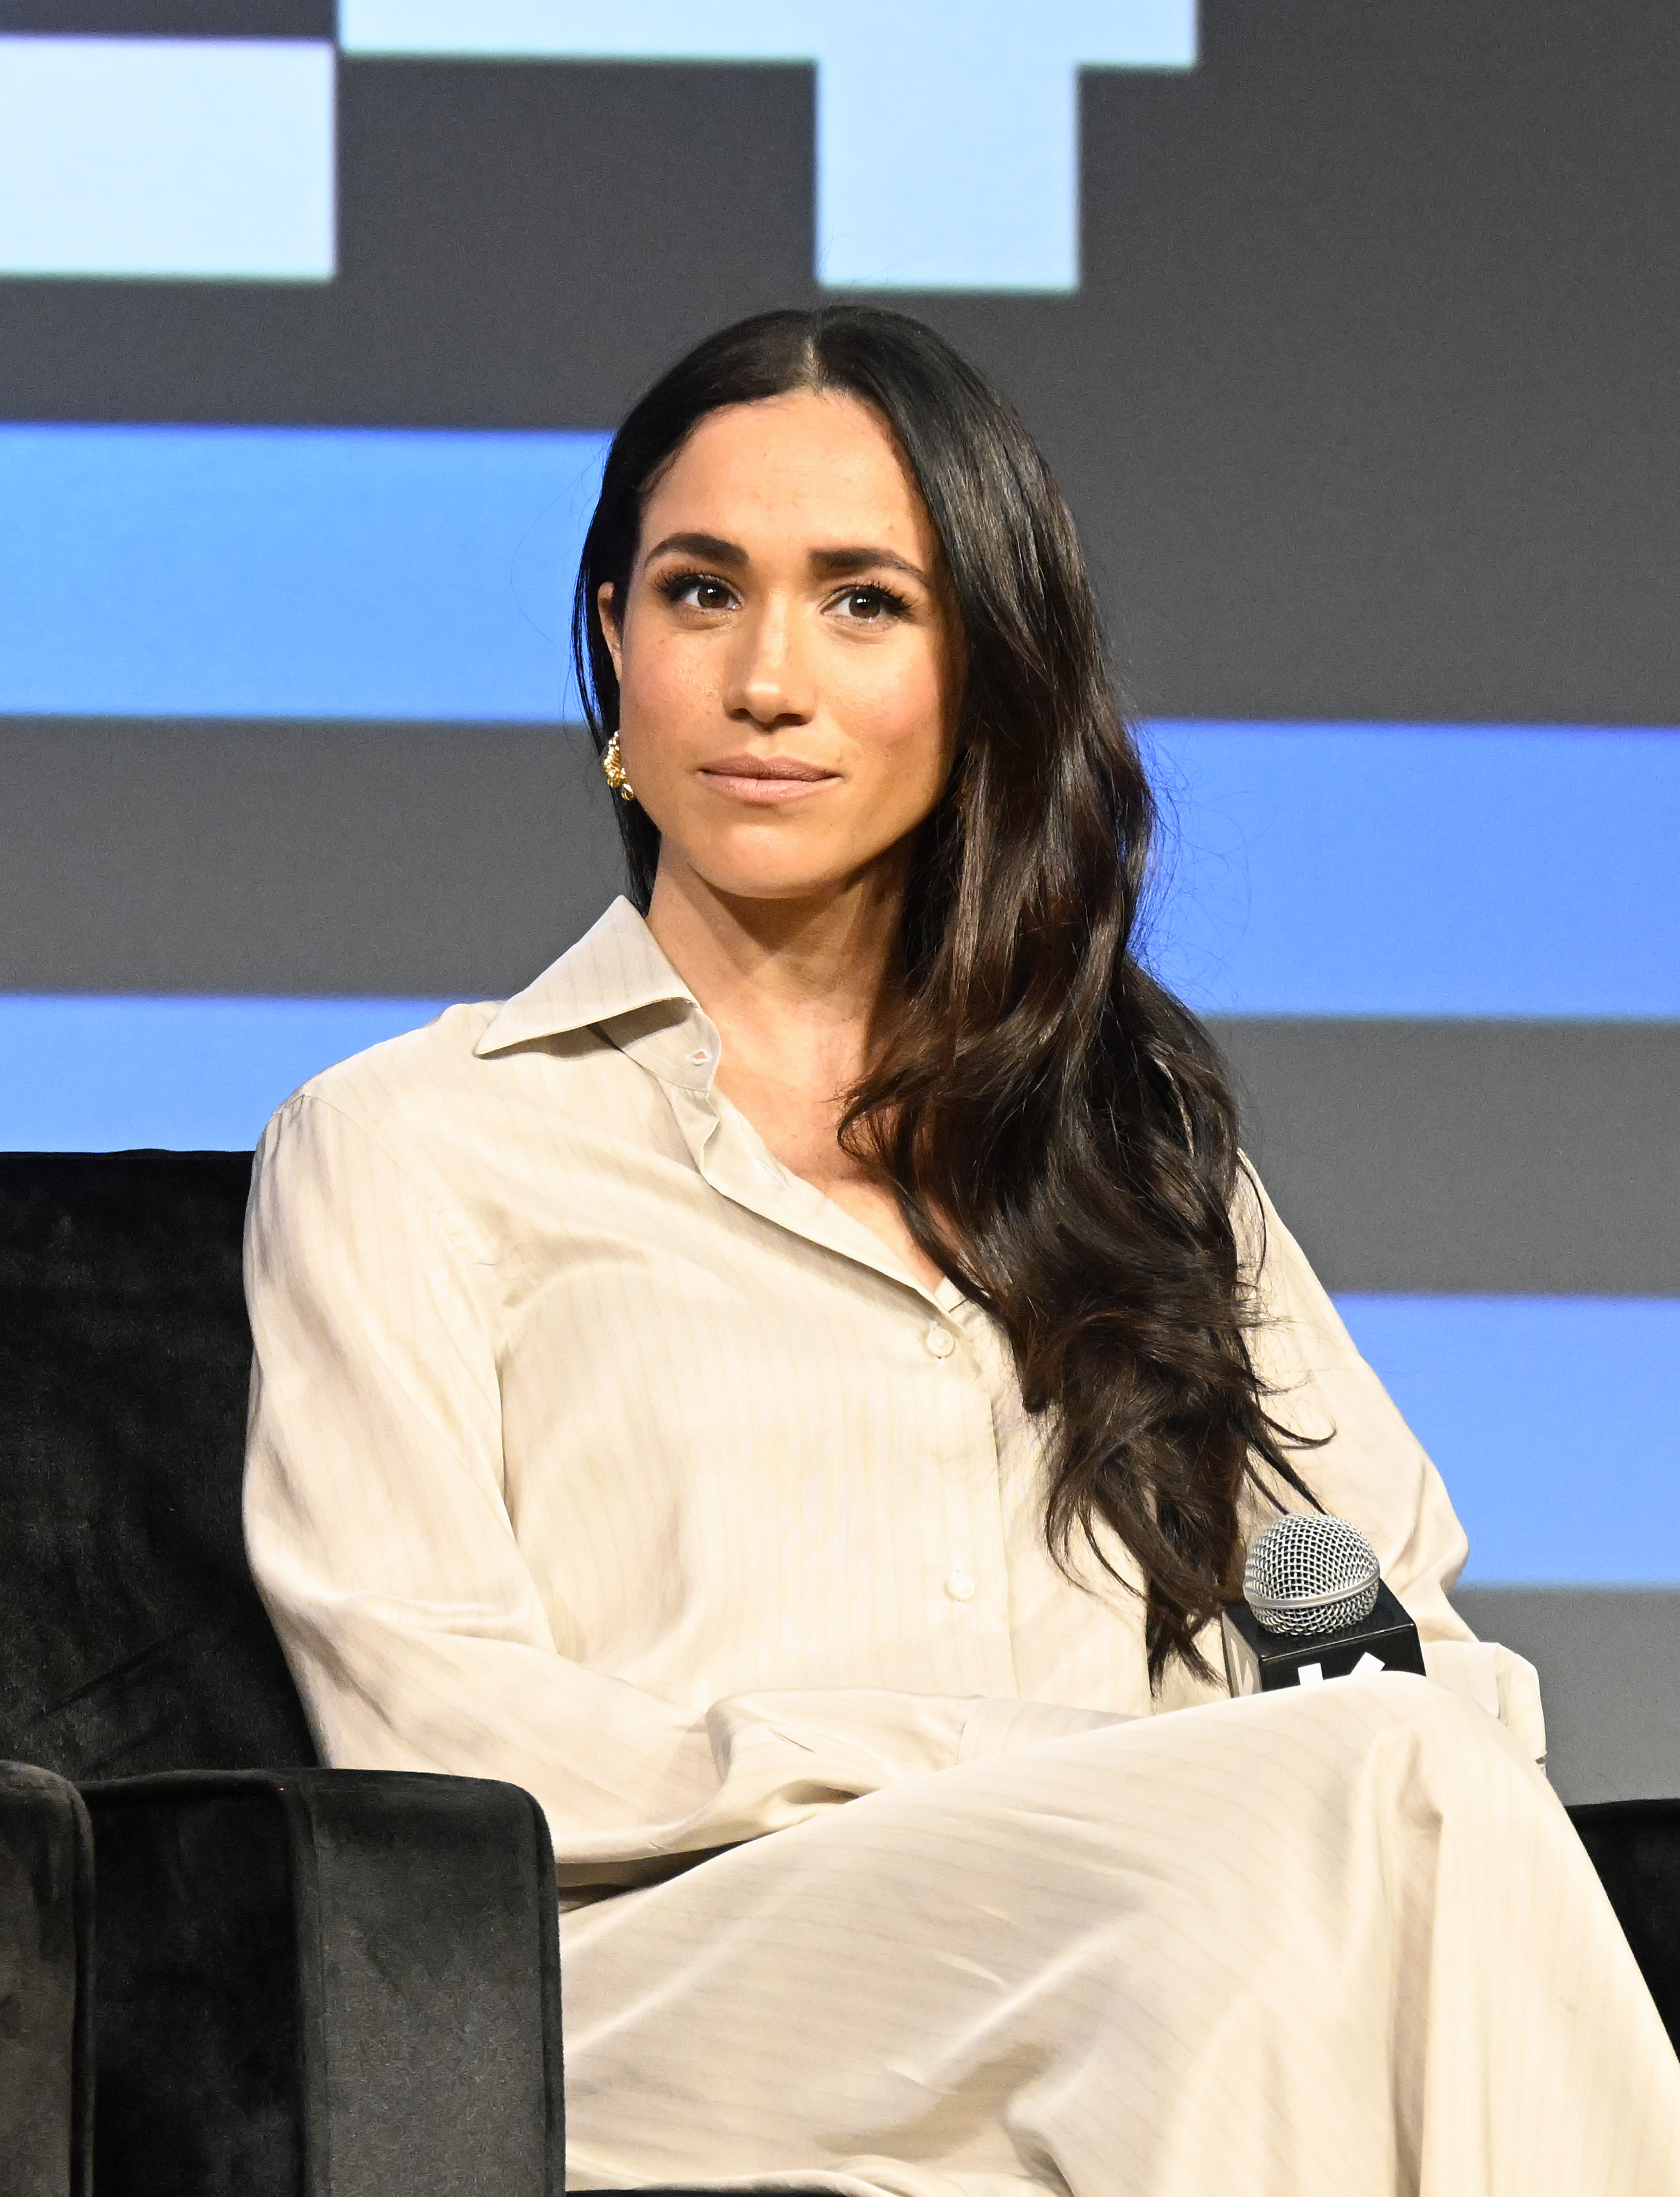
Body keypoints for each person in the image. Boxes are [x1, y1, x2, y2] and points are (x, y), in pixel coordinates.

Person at [243, 306, 1680, 2197]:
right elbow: (428, 1732)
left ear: (980, 670)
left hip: (1161, 1948)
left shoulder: (1133, 1151)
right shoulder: (414, 1144)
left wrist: (1227, 1787)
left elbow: (1398, 1631)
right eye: (699, 594)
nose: (769, 678)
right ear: (614, 649)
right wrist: (990, 1768)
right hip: (662, 1991)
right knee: (1346, 1839)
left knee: (1319, 1913)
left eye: (863, 605)